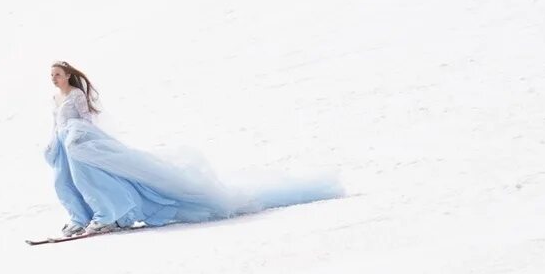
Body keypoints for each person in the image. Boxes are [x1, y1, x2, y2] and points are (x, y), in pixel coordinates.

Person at [46, 61, 340, 236]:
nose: (54, 78)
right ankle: (79, 218)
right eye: (52, 75)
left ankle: (106, 215)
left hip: (81, 143)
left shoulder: (76, 95)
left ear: (69, 76)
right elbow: (57, 122)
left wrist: (81, 139)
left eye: (58, 74)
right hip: (64, 144)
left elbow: (86, 120)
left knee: (91, 180)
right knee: (65, 182)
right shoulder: (57, 98)